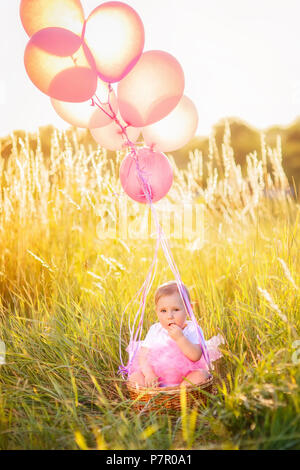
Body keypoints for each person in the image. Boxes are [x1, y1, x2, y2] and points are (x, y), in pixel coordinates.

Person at [127, 280, 224, 388]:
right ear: (156, 311)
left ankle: (180, 393)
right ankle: (155, 396)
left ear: (188, 309)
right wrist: (149, 374)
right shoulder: (155, 330)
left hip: (185, 380)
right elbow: (143, 356)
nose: (169, 316)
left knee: (202, 375)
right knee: (134, 378)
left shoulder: (192, 329)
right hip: (156, 381)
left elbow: (196, 356)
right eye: (163, 311)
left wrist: (180, 338)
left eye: (176, 309)